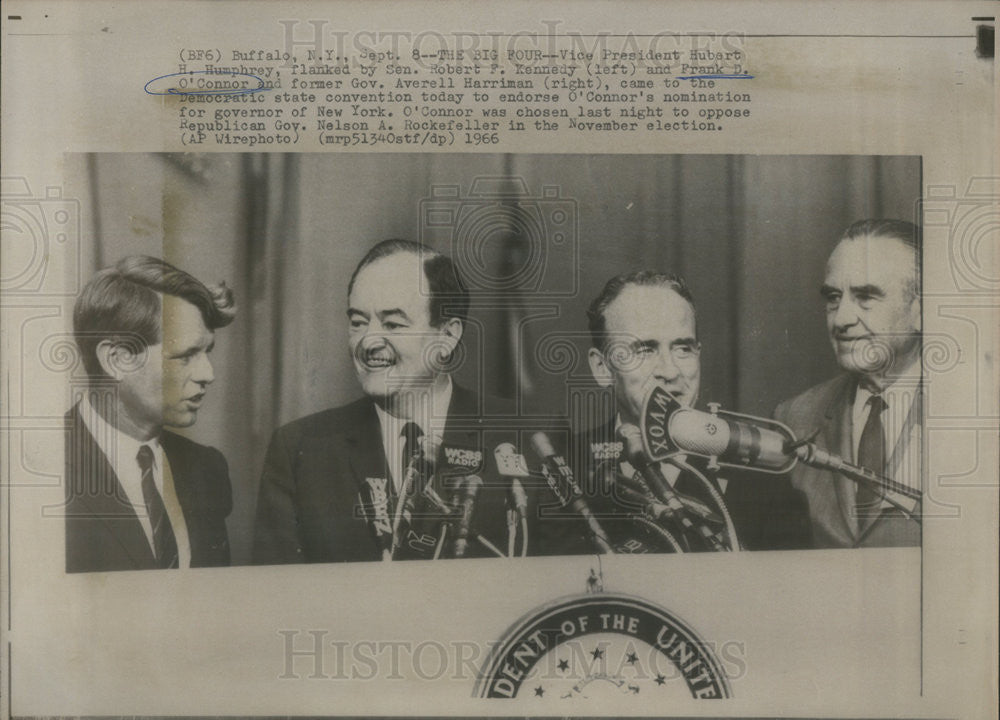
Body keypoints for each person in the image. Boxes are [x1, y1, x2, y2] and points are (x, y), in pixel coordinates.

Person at [252, 239, 552, 564]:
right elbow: (275, 598)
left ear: (447, 336)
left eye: (393, 324)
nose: (369, 341)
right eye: (357, 322)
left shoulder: (530, 438)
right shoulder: (301, 449)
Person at [564, 270, 809, 554]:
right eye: (645, 350)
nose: (669, 371)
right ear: (602, 368)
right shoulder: (564, 469)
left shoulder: (762, 484)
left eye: (683, 349)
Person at [65, 255, 236, 572]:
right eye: (186, 356)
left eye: (207, 352)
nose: (208, 374)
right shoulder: (39, 469)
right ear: (117, 359)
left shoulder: (207, 468)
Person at [775, 219, 922, 548]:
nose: (841, 319)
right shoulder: (792, 418)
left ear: (920, 309)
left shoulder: (969, 413)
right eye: (833, 298)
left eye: (866, 296)